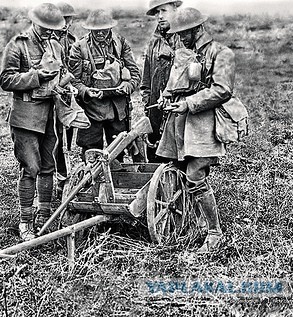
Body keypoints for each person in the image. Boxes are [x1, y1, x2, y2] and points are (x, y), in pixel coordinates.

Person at [157, 7, 236, 252]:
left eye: (184, 33)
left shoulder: (221, 53)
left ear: (196, 29)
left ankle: (214, 232)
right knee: (178, 173)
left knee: (195, 176)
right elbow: (174, 85)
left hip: (204, 124)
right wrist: (166, 97)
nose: (179, 38)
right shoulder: (184, 52)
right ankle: (191, 223)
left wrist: (189, 103)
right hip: (179, 123)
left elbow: (223, 90)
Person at [0, 3, 66, 240]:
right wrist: (36, 76)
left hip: (49, 115)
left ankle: (44, 216)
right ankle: (25, 223)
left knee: (48, 167)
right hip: (26, 117)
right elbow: (6, 80)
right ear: (34, 22)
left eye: (53, 28)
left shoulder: (56, 46)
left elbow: (62, 75)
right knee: (31, 169)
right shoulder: (18, 45)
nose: (49, 32)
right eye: (45, 27)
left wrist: (64, 88)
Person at [69, 9, 141, 164]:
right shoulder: (79, 47)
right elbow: (73, 81)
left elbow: (135, 74)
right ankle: (92, 185)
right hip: (91, 110)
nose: (100, 34)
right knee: (90, 154)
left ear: (110, 27)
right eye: (96, 30)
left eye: (103, 29)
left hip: (118, 109)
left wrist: (128, 86)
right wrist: (86, 91)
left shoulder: (121, 44)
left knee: (118, 151)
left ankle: (115, 183)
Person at [141, 0, 182, 162]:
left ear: (175, 9)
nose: (160, 16)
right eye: (157, 13)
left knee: (179, 154)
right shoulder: (154, 42)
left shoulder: (185, 38)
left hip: (179, 106)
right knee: (155, 153)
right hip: (156, 108)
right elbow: (146, 79)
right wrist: (147, 102)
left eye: (163, 11)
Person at [53, 1, 77, 199]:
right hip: (50, 94)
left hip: (66, 95)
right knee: (53, 138)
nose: (66, 24)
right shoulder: (47, 39)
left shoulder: (71, 39)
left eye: (68, 20)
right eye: (62, 20)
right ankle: (58, 176)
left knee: (66, 138)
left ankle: (63, 177)